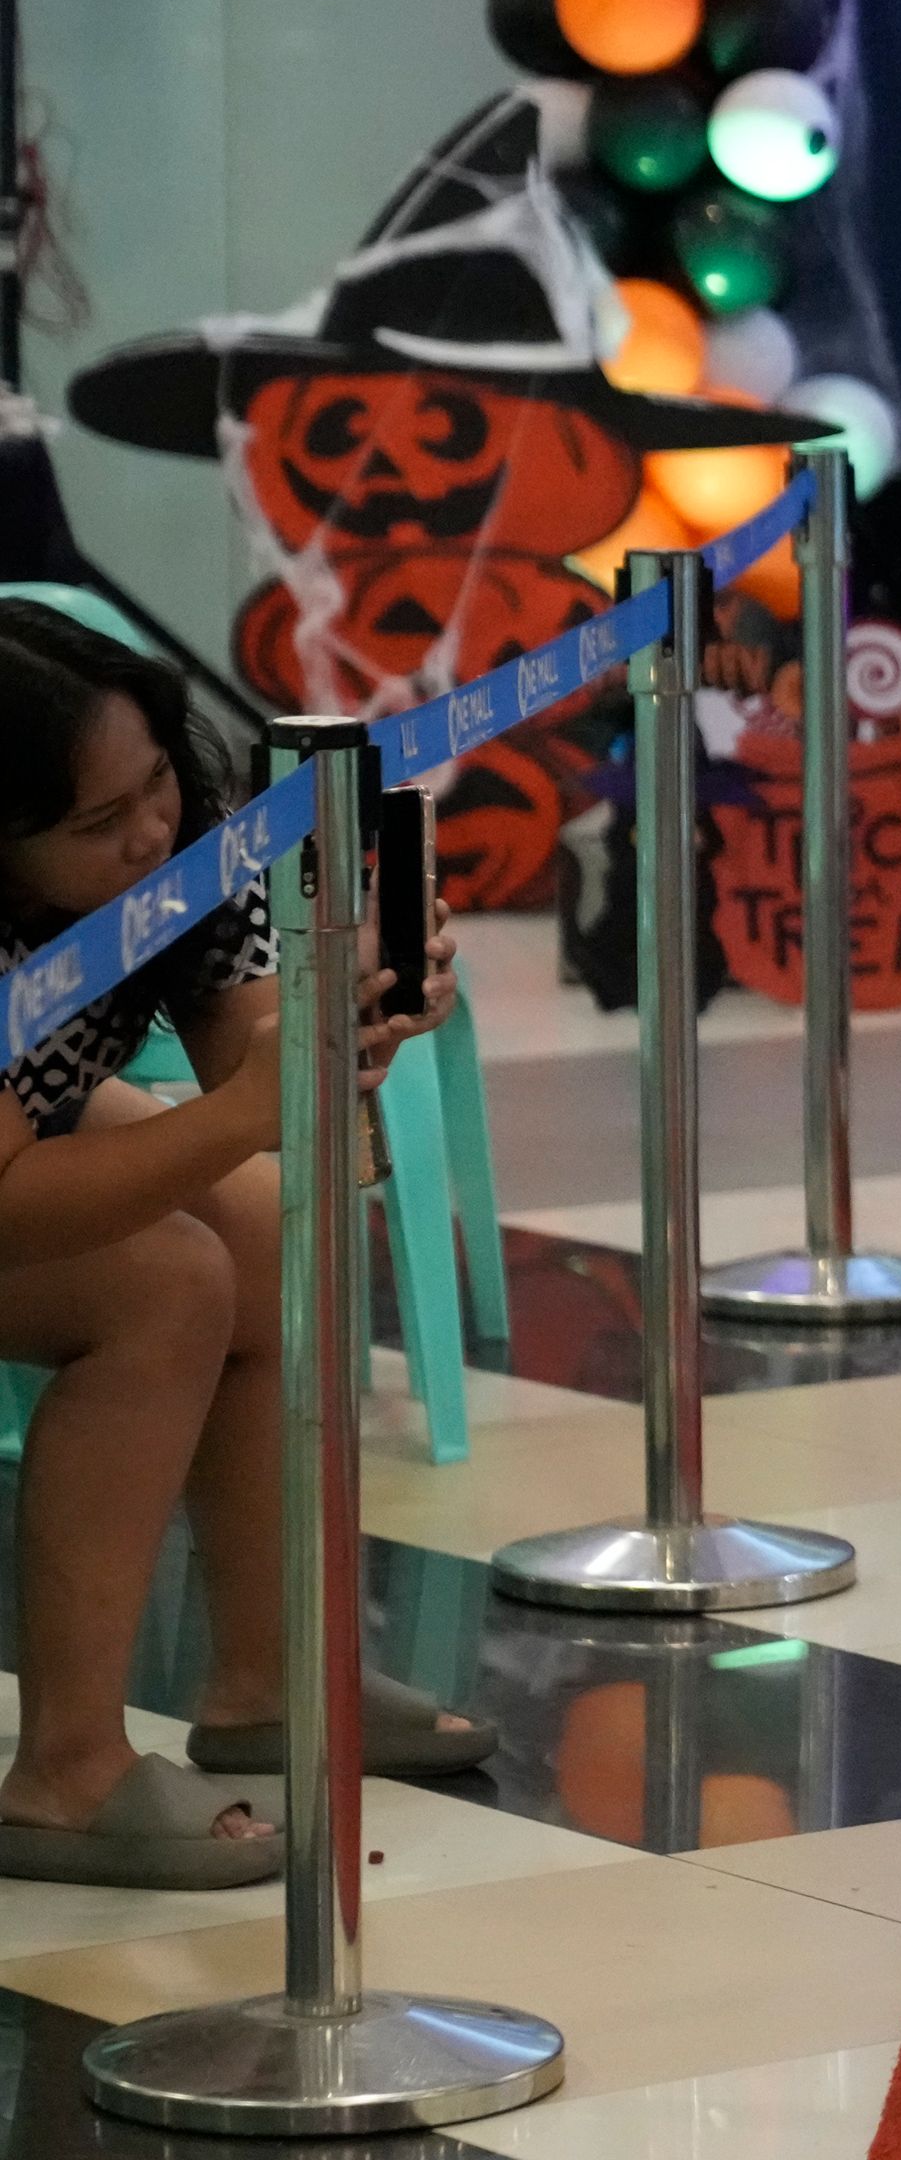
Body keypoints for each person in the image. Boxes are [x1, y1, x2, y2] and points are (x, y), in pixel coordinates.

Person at [0, 601, 495, 1889]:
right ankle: (64, 1768)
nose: (149, 829)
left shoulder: (175, 850)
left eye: (155, 780)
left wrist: (362, 1008)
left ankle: (266, 1677)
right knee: (165, 1285)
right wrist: (238, 1114)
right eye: (96, 824)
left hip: (23, 1120)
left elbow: (250, 1041)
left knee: (268, 1230)